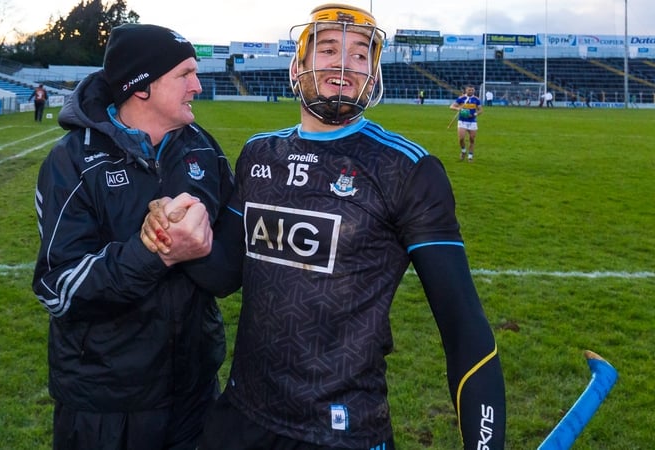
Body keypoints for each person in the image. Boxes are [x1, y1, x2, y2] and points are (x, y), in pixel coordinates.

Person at [142, 4, 506, 449]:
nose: (344, 65)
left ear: (373, 74)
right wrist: (175, 236)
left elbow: (464, 327)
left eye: (360, 55)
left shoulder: (407, 169)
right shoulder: (260, 154)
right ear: (297, 66)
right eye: (329, 49)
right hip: (241, 418)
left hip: (342, 431)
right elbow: (224, 274)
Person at [31, 23, 243, 450]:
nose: (197, 85)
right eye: (184, 74)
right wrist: (155, 253)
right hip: (104, 407)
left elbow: (227, 274)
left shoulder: (204, 150)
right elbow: (59, 289)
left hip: (195, 394)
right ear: (141, 86)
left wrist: (193, 249)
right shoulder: (71, 163)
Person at [450, 84, 482, 162]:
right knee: (461, 139)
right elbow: (451, 107)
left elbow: (480, 110)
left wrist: (475, 114)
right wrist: (458, 109)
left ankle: (470, 156)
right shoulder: (461, 98)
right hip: (462, 121)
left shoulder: (476, 99)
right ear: (466, 90)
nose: (471, 91)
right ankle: (463, 151)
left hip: (472, 122)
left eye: (472, 90)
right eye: (469, 90)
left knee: (472, 139)